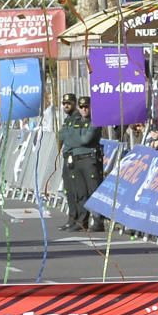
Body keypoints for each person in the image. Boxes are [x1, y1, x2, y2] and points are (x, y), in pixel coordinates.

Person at [58, 96, 103, 232]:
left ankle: (98, 221)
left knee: (93, 191)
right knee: (80, 192)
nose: (84, 109)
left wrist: (72, 137)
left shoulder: (95, 121)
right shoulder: (76, 121)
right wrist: (74, 137)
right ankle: (80, 221)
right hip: (77, 159)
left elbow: (85, 139)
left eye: (87, 107)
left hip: (89, 159)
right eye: (82, 107)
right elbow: (62, 135)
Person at [56, 93, 80, 230]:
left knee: (76, 190)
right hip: (67, 156)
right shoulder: (68, 119)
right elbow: (62, 135)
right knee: (68, 190)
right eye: (64, 103)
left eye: (68, 103)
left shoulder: (77, 118)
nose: (65, 106)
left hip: (74, 156)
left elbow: (70, 137)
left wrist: (63, 135)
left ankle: (78, 220)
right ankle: (71, 218)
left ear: (74, 103)